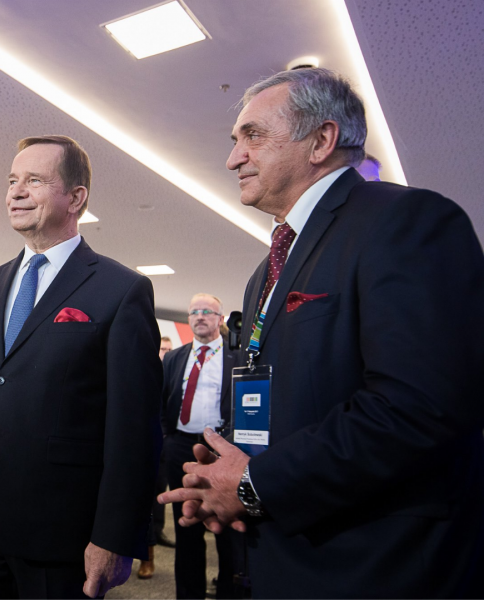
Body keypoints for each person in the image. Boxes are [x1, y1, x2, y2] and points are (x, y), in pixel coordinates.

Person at [160, 68, 484, 599]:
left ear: (322, 141)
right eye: (235, 140)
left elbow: (421, 406)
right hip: (286, 548)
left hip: (375, 564)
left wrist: (256, 483)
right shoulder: (266, 271)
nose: (233, 158)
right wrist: (227, 475)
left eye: (252, 135)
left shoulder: (406, 220)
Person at [0, 135, 162, 599]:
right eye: (12, 181)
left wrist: (115, 535)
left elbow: (133, 428)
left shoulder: (121, 290)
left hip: (61, 533)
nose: (16, 192)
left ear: (76, 197)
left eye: (34, 181)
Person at [161, 294, 241, 600]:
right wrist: (167, 438)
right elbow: (162, 399)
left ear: (220, 319)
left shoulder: (237, 355)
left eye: (207, 311)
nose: (200, 316)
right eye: (194, 311)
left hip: (223, 451)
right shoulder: (174, 357)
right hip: (181, 447)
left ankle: (228, 592)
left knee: (227, 528)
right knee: (187, 526)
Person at [138, 334, 177, 580]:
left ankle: (148, 556)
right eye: (162, 348)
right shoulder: (139, 366)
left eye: (167, 349)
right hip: (132, 442)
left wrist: (163, 436)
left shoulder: (171, 371)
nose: (165, 353)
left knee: (152, 501)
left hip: (157, 443)